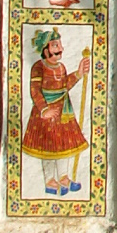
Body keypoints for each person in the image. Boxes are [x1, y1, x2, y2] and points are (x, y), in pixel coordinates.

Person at [21, 28, 90, 198]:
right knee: (48, 146)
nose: (61, 48)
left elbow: (64, 85)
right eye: (55, 45)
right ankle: (50, 180)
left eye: (60, 45)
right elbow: (35, 90)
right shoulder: (38, 67)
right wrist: (44, 109)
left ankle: (64, 177)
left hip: (63, 111)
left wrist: (79, 73)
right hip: (46, 112)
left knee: (64, 144)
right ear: (46, 50)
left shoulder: (61, 67)